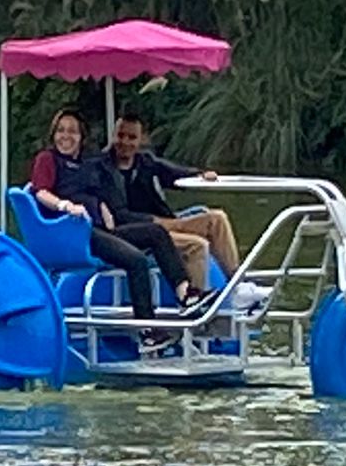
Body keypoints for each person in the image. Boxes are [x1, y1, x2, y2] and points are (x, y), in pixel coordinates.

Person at [27, 108, 196, 349]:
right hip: (74, 234)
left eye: (72, 131)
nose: (66, 136)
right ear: (53, 134)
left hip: (100, 230)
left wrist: (103, 207)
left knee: (157, 233)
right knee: (135, 260)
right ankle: (147, 331)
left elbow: (95, 192)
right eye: (61, 131)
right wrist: (65, 205)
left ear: (81, 137)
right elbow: (41, 192)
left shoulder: (86, 164)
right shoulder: (48, 159)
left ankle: (185, 293)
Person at [104, 113, 270, 307]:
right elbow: (119, 214)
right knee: (197, 245)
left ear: (141, 140)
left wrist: (200, 174)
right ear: (113, 135)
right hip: (138, 233)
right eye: (121, 136)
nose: (125, 142)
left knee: (217, 218)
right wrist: (157, 222)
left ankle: (237, 284)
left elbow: (174, 173)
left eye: (132, 137)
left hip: (164, 225)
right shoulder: (102, 168)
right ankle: (195, 304)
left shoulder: (145, 162)